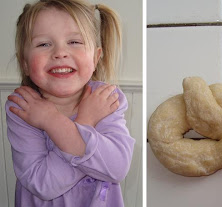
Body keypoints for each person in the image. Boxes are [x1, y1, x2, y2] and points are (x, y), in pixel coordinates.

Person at [5, 0, 135, 206]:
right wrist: (84, 124)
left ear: (96, 58)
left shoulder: (105, 98)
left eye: (74, 42)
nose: (60, 53)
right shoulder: (22, 107)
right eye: (43, 44)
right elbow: (42, 184)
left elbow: (117, 167)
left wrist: (54, 121)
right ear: (25, 63)